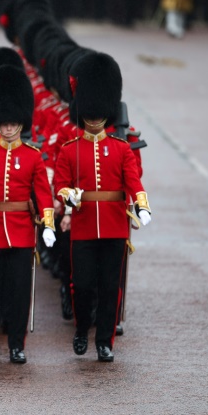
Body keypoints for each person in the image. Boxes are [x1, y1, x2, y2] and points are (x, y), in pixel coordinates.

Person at [54, 53, 151, 363]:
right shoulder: (70, 149)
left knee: (110, 287)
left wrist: (142, 206)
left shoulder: (121, 148)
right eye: (89, 113)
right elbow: (61, 184)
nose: (94, 118)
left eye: (98, 114)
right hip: (83, 226)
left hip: (113, 225)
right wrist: (69, 197)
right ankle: (82, 329)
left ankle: (105, 341)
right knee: (81, 285)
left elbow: (134, 181)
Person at [0, 65, 56, 365]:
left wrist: (47, 224)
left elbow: (43, 193)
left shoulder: (32, 156)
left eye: (11, 123)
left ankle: (17, 344)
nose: (7, 128)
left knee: (19, 293)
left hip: (20, 232)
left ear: (20, 122)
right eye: (2, 124)